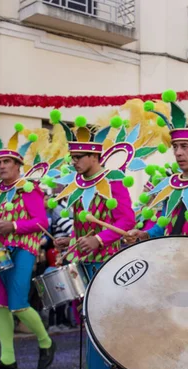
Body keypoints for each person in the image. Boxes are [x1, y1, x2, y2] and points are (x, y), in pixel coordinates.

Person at [0, 123, 56, 369]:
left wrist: (15, 225)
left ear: (18, 165)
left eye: (7, 162)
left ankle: (46, 342)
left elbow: (41, 222)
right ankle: (7, 358)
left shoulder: (28, 188)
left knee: (18, 303)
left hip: (22, 250)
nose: (2, 166)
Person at [125, 93, 188, 242]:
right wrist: (146, 234)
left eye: (184, 146)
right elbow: (164, 223)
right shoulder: (172, 184)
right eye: (175, 147)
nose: (178, 152)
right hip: (170, 256)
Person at [50, 113, 135, 280]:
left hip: (108, 261)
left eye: (78, 157)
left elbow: (127, 220)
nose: (74, 162)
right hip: (81, 260)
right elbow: (85, 227)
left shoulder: (113, 181)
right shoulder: (77, 184)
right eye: (72, 157)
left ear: (94, 157)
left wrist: (99, 239)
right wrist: (70, 240)